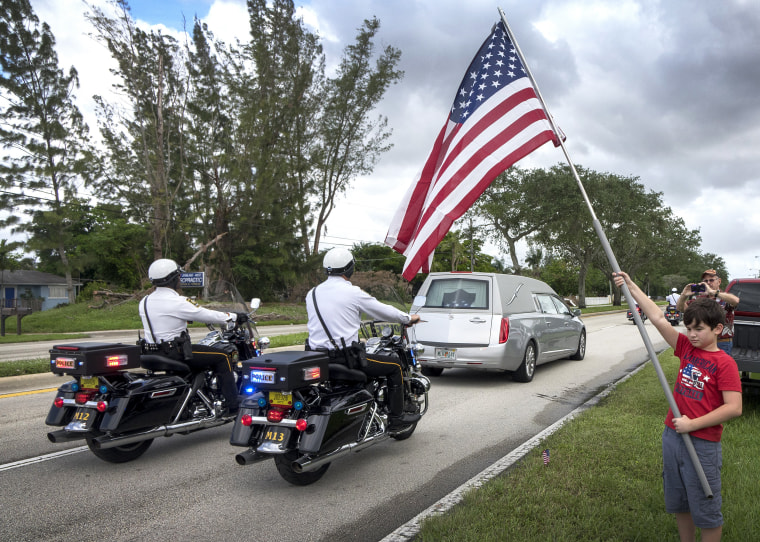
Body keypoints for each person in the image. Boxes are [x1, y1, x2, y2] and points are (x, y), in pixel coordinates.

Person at [614, 271, 742, 542]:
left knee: (706, 508)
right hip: (672, 437)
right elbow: (659, 318)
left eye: (699, 329)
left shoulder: (725, 363)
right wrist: (631, 285)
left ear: (717, 329)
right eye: (689, 328)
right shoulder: (686, 348)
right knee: (680, 502)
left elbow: (734, 407)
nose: (692, 334)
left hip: (703, 443)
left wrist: (692, 424)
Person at [306, 247, 421, 430]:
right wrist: (408, 319)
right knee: (395, 366)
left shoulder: (311, 293)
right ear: (349, 269)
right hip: (345, 358)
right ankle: (396, 419)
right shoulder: (353, 293)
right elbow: (384, 310)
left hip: (316, 357)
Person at [139, 258, 247, 416]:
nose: (180, 280)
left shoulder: (144, 301)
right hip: (175, 353)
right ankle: (232, 403)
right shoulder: (177, 301)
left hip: (151, 352)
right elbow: (205, 314)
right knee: (222, 357)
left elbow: (163, 318)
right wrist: (232, 317)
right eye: (178, 277)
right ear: (173, 279)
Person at [676, 269, 740, 356]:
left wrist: (713, 292)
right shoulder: (699, 298)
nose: (708, 283)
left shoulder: (724, 298)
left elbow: (735, 301)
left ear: (719, 281)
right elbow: (681, 308)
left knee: (720, 368)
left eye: (711, 280)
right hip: (703, 342)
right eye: (705, 281)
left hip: (722, 342)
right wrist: (684, 295)